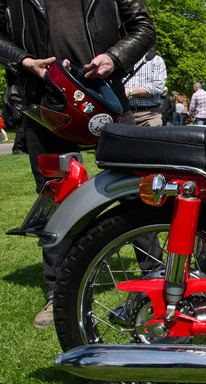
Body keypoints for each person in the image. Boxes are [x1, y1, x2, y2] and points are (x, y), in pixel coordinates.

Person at [0, 0, 155, 328]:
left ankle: (156, 275)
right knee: (56, 194)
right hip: (46, 101)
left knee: (135, 186)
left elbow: (143, 28)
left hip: (104, 97)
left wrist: (114, 58)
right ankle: (57, 291)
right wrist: (24, 61)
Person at [124, 50, 167, 126]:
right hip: (124, 115)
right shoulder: (122, 59)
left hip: (149, 116)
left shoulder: (155, 59)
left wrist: (130, 91)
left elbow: (157, 88)